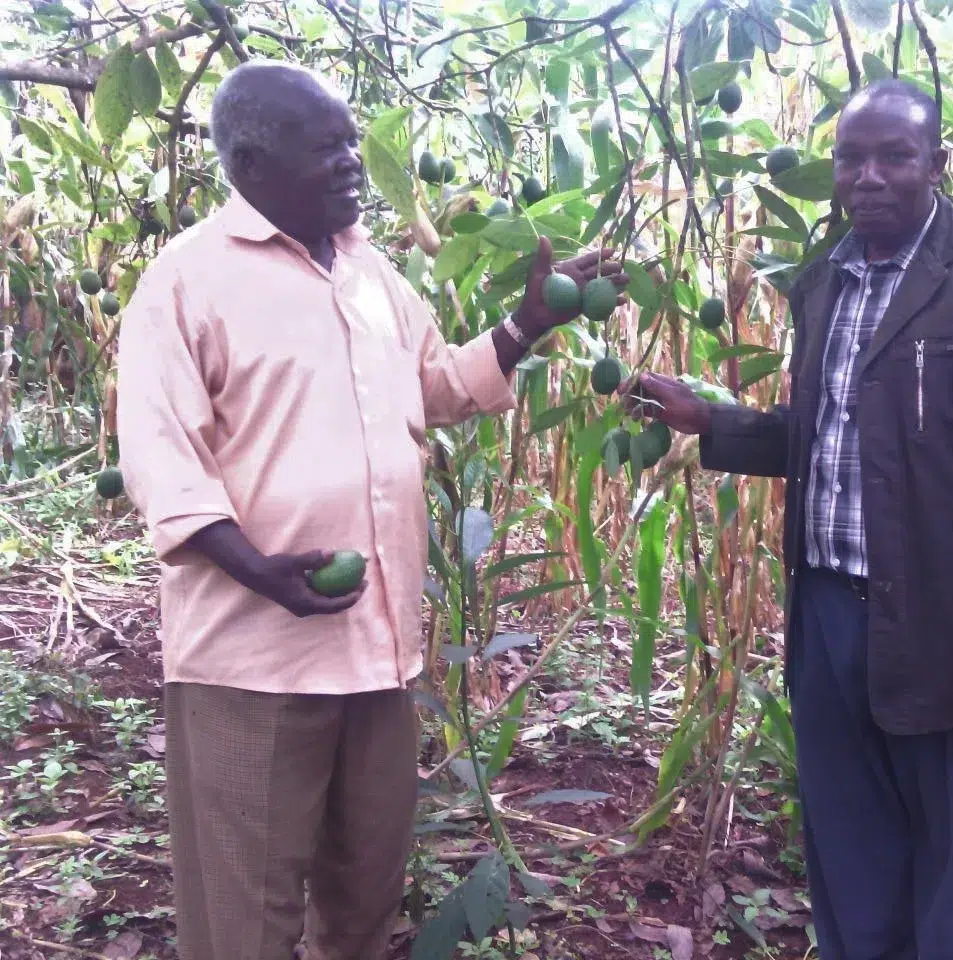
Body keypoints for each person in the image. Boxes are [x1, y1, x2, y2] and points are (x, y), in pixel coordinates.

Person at [116, 61, 628, 960]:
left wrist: (525, 325)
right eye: (328, 148)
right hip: (255, 662)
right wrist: (255, 568)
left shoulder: (370, 273)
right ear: (251, 163)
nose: (354, 163)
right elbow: (164, 459)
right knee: (243, 919)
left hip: (376, 649)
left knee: (363, 901)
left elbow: (430, 388)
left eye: (354, 142)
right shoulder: (185, 282)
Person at [624, 78, 953, 959]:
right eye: (850, 158)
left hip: (951, 620)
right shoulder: (823, 283)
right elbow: (835, 435)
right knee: (851, 855)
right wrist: (711, 422)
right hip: (829, 611)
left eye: (894, 156)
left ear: (937, 165)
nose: (867, 177)